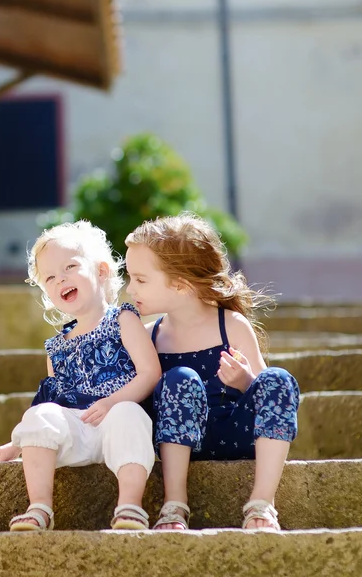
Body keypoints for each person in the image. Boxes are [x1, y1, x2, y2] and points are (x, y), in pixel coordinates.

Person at [124, 212, 300, 531]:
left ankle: (262, 503)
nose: (129, 288)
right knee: (180, 379)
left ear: (179, 284)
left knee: (279, 379)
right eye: (129, 278)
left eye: (140, 279)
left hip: (235, 435)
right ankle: (174, 505)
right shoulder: (147, 335)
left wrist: (246, 381)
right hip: (172, 441)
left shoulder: (230, 326)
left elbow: (268, 395)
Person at [0, 220, 161, 532]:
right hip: (77, 432)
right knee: (40, 413)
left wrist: (112, 403)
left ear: (101, 271)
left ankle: (130, 507)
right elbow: (51, 403)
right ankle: (39, 508)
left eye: (69, 267)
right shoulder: (57, 345)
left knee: (129, 414)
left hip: (116, 424)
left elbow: (150, 373)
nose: (60, 279)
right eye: (50, 277)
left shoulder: (122, 319)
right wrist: (18, 442)